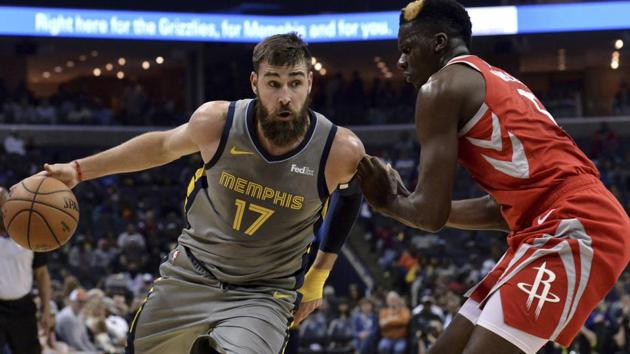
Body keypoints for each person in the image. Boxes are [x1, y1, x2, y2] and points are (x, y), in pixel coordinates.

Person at [36, 32, 364, 354]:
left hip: (263, 292)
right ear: (254, 83)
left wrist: (318, 275)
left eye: (294, 82)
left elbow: (350, 197)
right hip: (192, 273)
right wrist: (79, 170)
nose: (285, 96)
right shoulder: (217, 122)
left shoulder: (339, 150)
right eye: (273, 82)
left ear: (310, 82)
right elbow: (160, 146)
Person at [356, 1, 630, 354]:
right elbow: (500, 211)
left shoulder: (439, 88)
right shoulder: (492, 78)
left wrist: (386, 203)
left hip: (578, 222)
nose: (401, 61)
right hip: (546, 222)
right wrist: (409, 199)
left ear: (439, 43)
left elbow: (429, 216)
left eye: (408, 48)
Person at [0, 187, 53, 354]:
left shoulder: (30, 233)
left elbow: (42, 274)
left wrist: (46, 310)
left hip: (23, 307)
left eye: (3, 202)